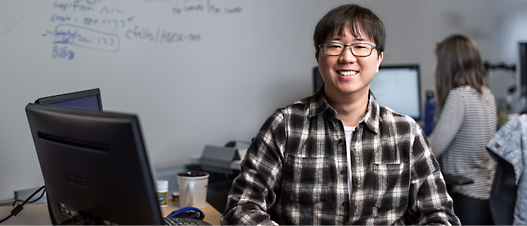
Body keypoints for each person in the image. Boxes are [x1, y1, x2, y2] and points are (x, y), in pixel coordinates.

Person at [221, 4, 460, 225]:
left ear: (378, 59)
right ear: (318, 56)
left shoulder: (406, 133)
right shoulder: (285, 126)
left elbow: (439, 216)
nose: (347, 57)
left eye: (360, 46)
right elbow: (241, 206)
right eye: (335, 46)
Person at [428, 34, 497, 226]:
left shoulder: (459, 96)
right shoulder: (486, 94)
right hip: (488, 195)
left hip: (466, 196)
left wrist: (409, 136)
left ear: (448, 66)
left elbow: (432, 150)